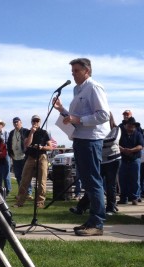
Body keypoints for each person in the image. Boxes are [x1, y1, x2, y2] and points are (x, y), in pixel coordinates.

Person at [53, 57, 110, 236]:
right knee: (87, 181)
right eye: (72, 71)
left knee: (93, 181)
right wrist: (62, 110)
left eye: (77, 71)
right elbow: (74, 117)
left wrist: (79, 120)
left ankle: (97, 223)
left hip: (91, 140)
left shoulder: (94, 87)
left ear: (87, 71)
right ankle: (91, 220)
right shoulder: (78, 89)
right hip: (80, 138)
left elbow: (103, 115)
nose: (74, 74)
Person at [69, 111, 121, 215]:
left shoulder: (116, 129)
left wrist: (96, 141)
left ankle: (111, 207)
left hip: (113, 160)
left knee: (111, 185)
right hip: (100, 160)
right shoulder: (97, 129)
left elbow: (113, 140)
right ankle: (82, 207)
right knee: (93, 183)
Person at [13, 115, 52, 208]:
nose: (35, 122)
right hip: (30, 157)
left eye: (37, 121)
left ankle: (40, 202)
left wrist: (42, 147)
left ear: (40, 122)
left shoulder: (44, 132)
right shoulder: (27, 132)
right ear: (31, 122)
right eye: (34, 121)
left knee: (42, 181)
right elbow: (27, 144)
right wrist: (32, 133)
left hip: (42, 156)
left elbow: (50, 147)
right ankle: (20, 202)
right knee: (24, 180)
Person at [118, 117, 144, 205]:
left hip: (135, 159)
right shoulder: (121, 134)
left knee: (135, 179)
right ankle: (123, 198)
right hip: (123, 159)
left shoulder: (138, 134)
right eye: (128, 124)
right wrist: (123, 149)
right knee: (122, 179)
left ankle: (135, 197)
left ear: (134, 126)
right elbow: (116, 144)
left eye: (132, 125)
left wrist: (131, 150)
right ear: (125, 125)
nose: (130, 126)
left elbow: (140, 146)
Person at [7, 117, 32, 200]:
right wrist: (10, 153)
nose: (16, 124)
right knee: (18, 176)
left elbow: (30, 141)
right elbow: (9, 143)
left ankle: (28, 193)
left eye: (17, 122)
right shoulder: (11, 133)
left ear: (21, 122)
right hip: (15, 157)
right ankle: (21, 193)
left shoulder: (25, 131)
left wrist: (27, 152)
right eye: (14, 122)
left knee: (26, 175)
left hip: (24, 157)